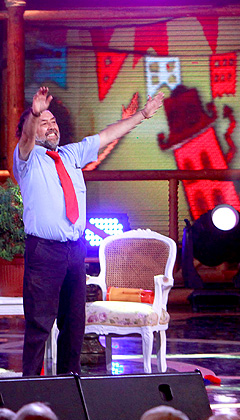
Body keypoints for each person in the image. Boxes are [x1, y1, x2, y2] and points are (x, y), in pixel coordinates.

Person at [14, 86, 164, 376]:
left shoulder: (71, 154)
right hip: (44, 250)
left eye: (53, 121)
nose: (51, 126)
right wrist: (34, 113)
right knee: (39, 324)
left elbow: (108, 134)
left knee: (74, 323)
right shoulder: (27, 159)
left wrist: (143, 115)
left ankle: (69, 382)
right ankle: (29, 386)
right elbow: (26, 138)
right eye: (44, 123)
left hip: (74, 250)